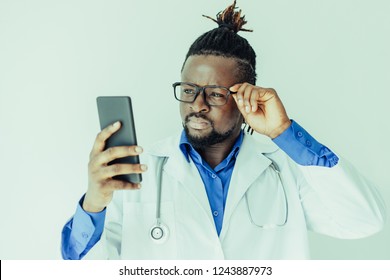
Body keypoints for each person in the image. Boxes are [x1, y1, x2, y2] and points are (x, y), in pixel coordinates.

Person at [61, 1, 386, 260]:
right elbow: (81, 263)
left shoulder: (287, 170)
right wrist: (94, 203)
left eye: (215, 94)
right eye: (189, 90)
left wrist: (283, 133)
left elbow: (365, 220)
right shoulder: (134, 172)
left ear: (247, 98)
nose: (197, 104)